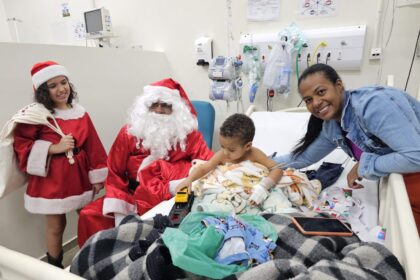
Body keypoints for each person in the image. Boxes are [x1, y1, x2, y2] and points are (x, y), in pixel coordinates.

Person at [273, 63, 420, 232]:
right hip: (404, 181)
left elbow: (416, 156)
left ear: (338, 85)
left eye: (321, 92)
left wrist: (364, 166)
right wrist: (255, 160)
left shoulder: (373, 105)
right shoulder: (332, 126)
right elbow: (302, 158)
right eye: (308, 100)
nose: (316, 103)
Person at [77, 78, 213, 247]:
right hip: (132, 195)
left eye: (165, 105)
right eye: (154, 104)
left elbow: (207, 165)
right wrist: (120, 207)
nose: (159, 110)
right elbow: (114, 171)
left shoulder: (188, 135)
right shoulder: (129, 133)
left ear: (176, 110)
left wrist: (177, 179)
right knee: (88, 215)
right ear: (145, 107)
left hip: (172, 196)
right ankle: (92, 261)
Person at [12, 61, 108, 268]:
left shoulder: (81, 112)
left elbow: (93, 145)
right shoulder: (37, 116)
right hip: (52, 179)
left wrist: (98, 176)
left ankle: (92, 260)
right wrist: (53, 148)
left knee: (88, 217)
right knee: (56, 225)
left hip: (79, 175)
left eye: (63, 82)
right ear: (43, 92)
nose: (61, 88)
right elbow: (22, 146)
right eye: (53, 85)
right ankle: (54, 268)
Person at [175, 113, 283, 206]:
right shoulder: (222, 154)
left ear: (247, 146)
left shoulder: (254, 154)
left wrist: (263, 188)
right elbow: (204, 168)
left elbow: (277, 169)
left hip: (250, 196)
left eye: (231, 150)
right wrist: (189, 179)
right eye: (222, 146)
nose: (225, 152)